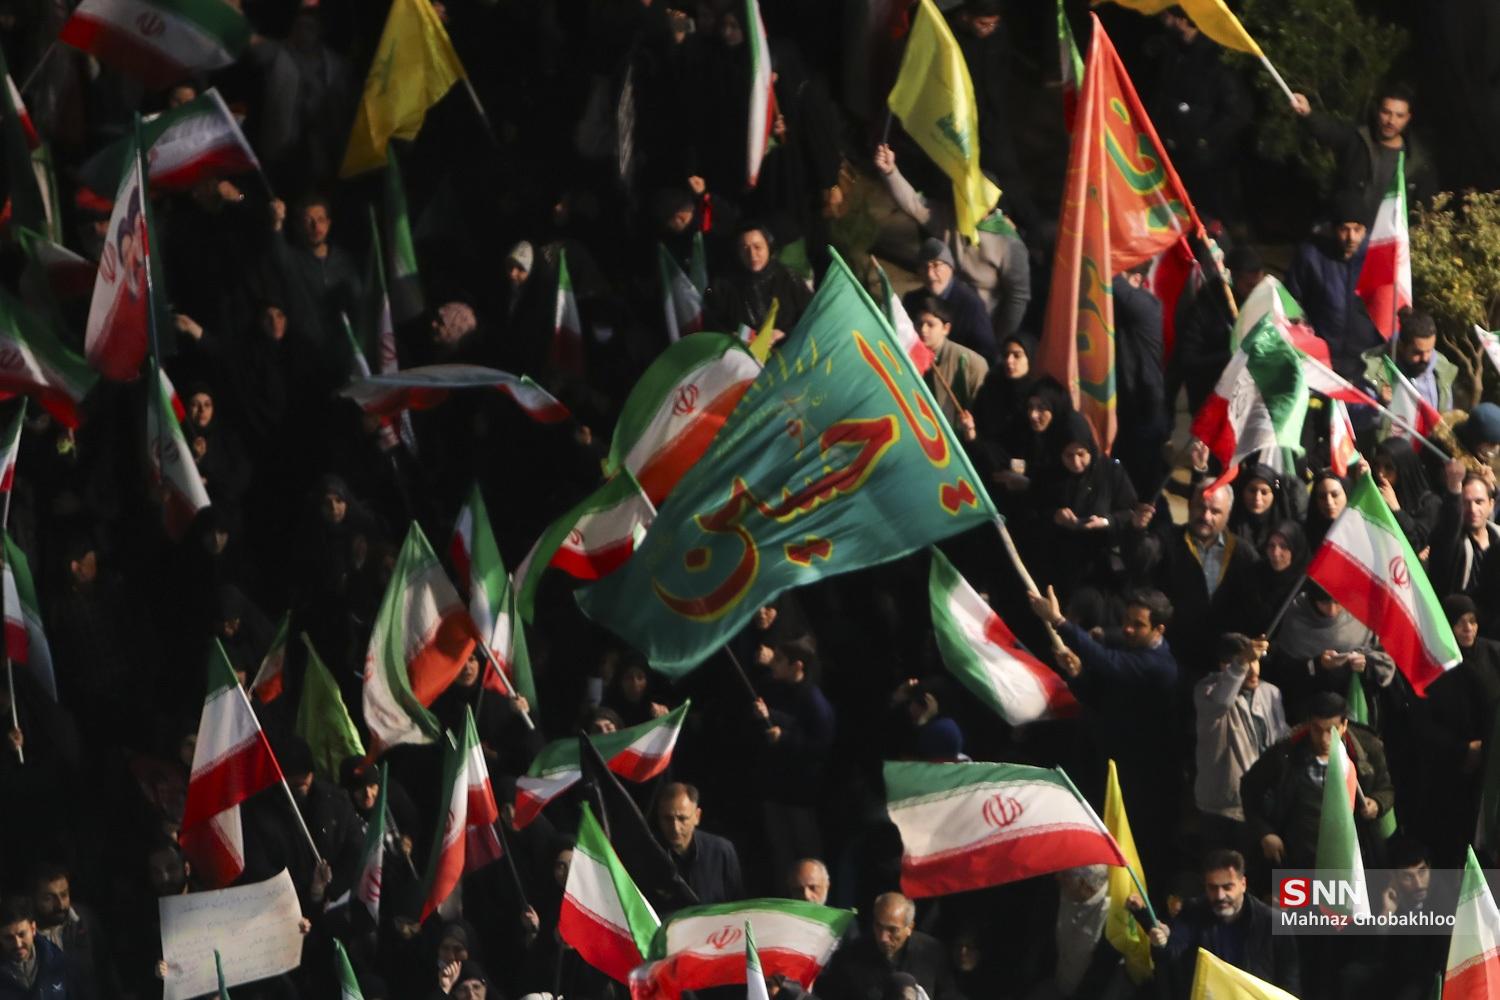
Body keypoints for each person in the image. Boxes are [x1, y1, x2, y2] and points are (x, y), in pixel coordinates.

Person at [873, 143, 1030, 336]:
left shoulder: (1009, 243)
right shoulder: (949, 218)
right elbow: (914, 204)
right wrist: (890, 172)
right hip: (938, 316)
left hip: (978, 327)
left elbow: (1017, 298)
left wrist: (1000, 339)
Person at [1241, 692, 1395, 871]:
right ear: (1309, 725)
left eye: (1331, 731)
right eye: (1317, 729)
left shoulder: (1366, 749)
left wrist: (1376, 803)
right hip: (1299, 854)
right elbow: (1249, 788)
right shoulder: (1285, 754)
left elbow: (1386, 789)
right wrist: (1265, 833)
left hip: (1352, 853)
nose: (1324, 739)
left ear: (1344, 725)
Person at [1128, 480, 1259, 673]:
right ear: (1190, 505)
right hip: (1172, 655)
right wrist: (1136, 531)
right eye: (1201, 507)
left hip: (1221, 661)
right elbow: (1139, 560)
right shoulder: (1168, 539)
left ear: (1228, 514)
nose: (1206, 516)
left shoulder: (1243, 553)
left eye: (1215, 511)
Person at [1147, 6, 1253, 223]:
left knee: (1213, 222)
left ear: (1184, 20)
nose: (1162, 17)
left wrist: (1203, 139)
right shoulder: (1172, 51)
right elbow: (1164, 96)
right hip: (1172, 155)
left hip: (1207, 165)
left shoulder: (1216, 60)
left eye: (1168, 13)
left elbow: (1239, 112)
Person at [1149, 850, 1300, 998]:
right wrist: (1162, 942)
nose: (1220, 895)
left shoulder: (1272, 921)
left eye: (1227, 887)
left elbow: (1289, 978)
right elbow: (1173, 952)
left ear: (1243, 884)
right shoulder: (1192, 912)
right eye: (1213, 888)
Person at [1290, 81, 1436, 226]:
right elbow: (1328, 131)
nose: (1391, 121)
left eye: (1399, 116)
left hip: (1387, 238)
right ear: (1377, 111)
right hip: (1347, 232)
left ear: (1408, 118)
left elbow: (1424, 210)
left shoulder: (1417, 161)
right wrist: (1308, 113)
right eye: (1386, 112)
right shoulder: (1357, 139)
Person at [1194, 633, 1287, 857]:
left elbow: (1280, 738)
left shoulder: (1270, 692)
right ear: (1225, 666)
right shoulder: (1208, 691)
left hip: (1263, 804)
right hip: (1224, 809)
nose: (1253, 670)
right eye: (1246, 662)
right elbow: (1221, 701)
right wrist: (1240, 663)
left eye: (1255, 661)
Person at [1284, 192, 1384, 378]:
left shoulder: (1379, 257)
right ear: (1333, 229)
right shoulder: (1310, 256)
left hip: (1367, 363)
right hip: (1321, 362)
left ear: (1365, 229)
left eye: (1357, 230)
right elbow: (1290, 302)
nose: (1351, 237)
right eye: (1345, 229)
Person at [818, 893, 958, 1000]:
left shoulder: (932, 953)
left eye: (892, 930)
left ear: (909, 927)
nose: (883, 937)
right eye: (878, 926)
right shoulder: (850, 956)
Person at [703, 223, 813, 338]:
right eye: (745, 248)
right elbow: (712, 323)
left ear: (769, 247)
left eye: (758, 247)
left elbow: (811, 315)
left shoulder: (789, 278)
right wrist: (733, 336)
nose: (752, 255)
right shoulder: (723, 285)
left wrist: (785, 333)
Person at [1428, 471, 1500, 636]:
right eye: (1466, 503)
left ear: (1491, 504)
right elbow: (1447, 527)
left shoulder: (1497, 539)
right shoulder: (1451, 541)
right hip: (1459, 631)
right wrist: (1454, 488)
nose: (1473, 509)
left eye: (1479, 502)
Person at [902, 239, 996, 360]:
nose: (930, 274)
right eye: (924, 267)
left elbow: (987, 352)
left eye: (936, 265)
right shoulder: (912, 301)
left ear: (950, 268)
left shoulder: (971, 304)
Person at [654, 782, 744, 905]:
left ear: (697, 816)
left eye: (682, 818)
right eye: (667, 819)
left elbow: (738, 905)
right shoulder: (649, 855)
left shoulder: (722, 851)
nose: (675, 828)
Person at [910, 296, 988, 434]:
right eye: (919, 323)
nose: (923, 330)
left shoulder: (971, 362)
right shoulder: (907, 355)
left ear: (946, 329)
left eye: (930, 325)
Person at [1362, 310, 1458, 420]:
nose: (1425, 358)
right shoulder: (1374, 369)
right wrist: (1379, 404)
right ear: (1401, 347)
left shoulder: (1441, 367)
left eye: (1429, 351)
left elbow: (1446, 413)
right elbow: (1357, 419)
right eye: (1417, 353)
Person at [0, 896, 90, 1000]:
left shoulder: (60, 963)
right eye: (8, 938)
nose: (18, 944)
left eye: (22, 934)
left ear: (33, 929)